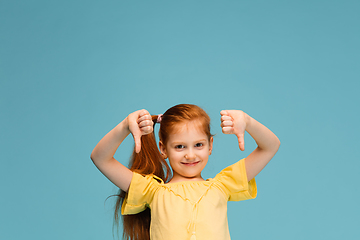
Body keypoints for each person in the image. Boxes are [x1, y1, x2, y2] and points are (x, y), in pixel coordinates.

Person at [91, 104, 280, 240]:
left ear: (210, 145)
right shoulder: (152, 191)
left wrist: (247, 121)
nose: (190, 155)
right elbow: (100, 158)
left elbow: (270, 146)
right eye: (180, 146)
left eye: (198, 145)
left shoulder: (223, 185)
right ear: (163, 149)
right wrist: (125, 125)